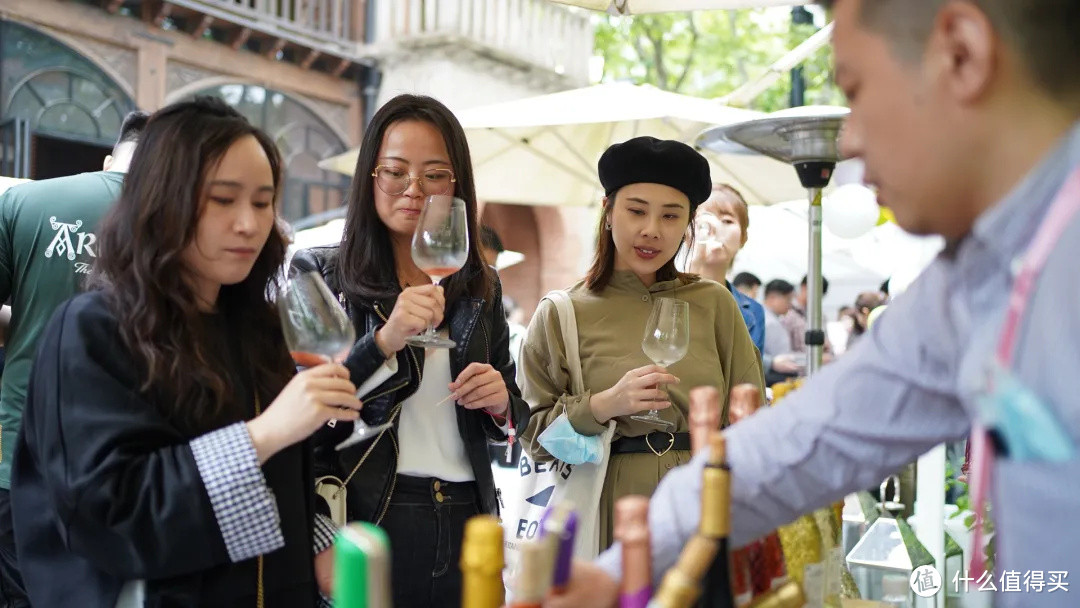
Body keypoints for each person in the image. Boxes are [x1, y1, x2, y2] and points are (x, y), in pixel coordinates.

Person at [545, 0, 1080, 605]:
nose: (848, 138)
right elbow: (807, 440)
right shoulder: (971, 277)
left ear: (961, 52)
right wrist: (613, 575)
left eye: (854, 88)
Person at [10, 97, 361, 607]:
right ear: (163, 199)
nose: (248, 223)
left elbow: (278, 487)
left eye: (263, 202)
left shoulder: (257, 329)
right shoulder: (93, 331)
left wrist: (319, 539)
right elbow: (109, 514)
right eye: (223, 199)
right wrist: (264, 433)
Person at [290, 94, 528, 608]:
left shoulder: (480, 288)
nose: (414, 190)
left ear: (456, 185)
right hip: (372, 510)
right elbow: (301, 408)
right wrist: (383, 342)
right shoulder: (320, 273)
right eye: (394, 171)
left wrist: (501, 401)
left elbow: (514, 416)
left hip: (469, 511)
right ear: (370, 178)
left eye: (434, 175)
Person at [519, 136, 764, 551]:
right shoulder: (562, 313)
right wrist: (603, 405)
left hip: (702, 502)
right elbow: (535, 437)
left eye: (671, 216)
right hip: (605, 507)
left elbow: (751, 414)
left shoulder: (715, 303)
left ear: (688, 223)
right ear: (609, 211)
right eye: (636, 210)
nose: (652, 230)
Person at [0, 110, 147, 606]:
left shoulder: (24, 201)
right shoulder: (180, 225)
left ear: (110, 159)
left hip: (18, 454)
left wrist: (24, 324)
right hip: (124, 468)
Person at [687, 184, 766, 355]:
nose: (715, 229)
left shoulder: (753, 311)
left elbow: (749, 373)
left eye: (727, 221)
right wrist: (694, 262)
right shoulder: (662, 292)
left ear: (743, 237)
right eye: (705, 222)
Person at [761, 279, 801, 384]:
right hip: (774, 376)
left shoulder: (769, 318)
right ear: (773, 298)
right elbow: (781, 356)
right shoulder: (769, 322)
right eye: (788, 299)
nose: (790, 304)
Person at [781, 274, 831, 355]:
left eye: (820, 295)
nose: (817, 298)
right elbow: (784, 350)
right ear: (803, 287)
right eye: (815, 293)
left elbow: (827, 342)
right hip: (796, 364)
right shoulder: (787, 312)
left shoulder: (820, 315)